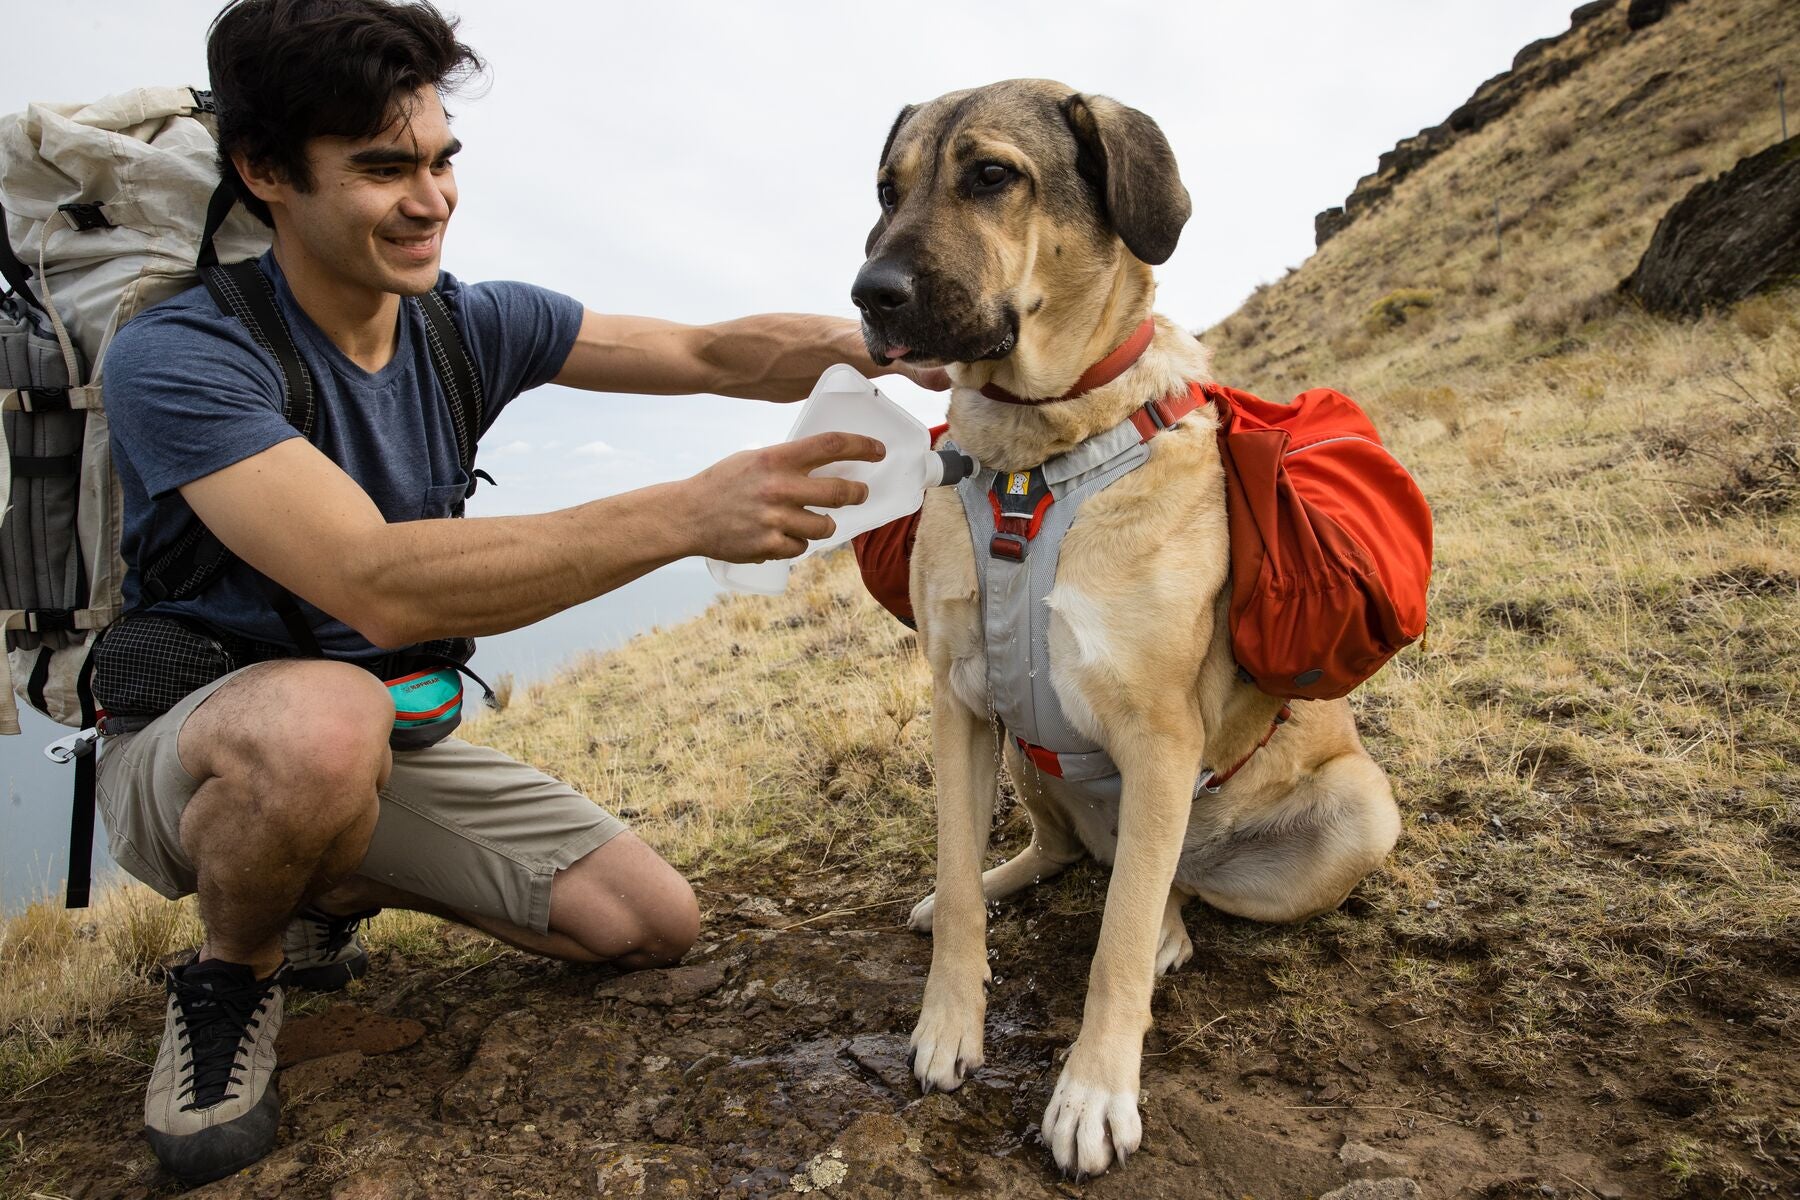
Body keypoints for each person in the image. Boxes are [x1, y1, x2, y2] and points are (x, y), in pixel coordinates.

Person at [93, 0, 941, 1184]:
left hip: (376, 735)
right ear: (265, 172)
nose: (431, 199)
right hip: (199, 753)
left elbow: (706, 353)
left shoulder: (463, 327)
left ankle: (322, 877)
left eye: (442, 161)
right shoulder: (182, 356)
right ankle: (232, 977)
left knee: (650, 925)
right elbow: (374, 584)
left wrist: (896, 342)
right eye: (385, 169)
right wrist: (685, 515)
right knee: (320, 722)